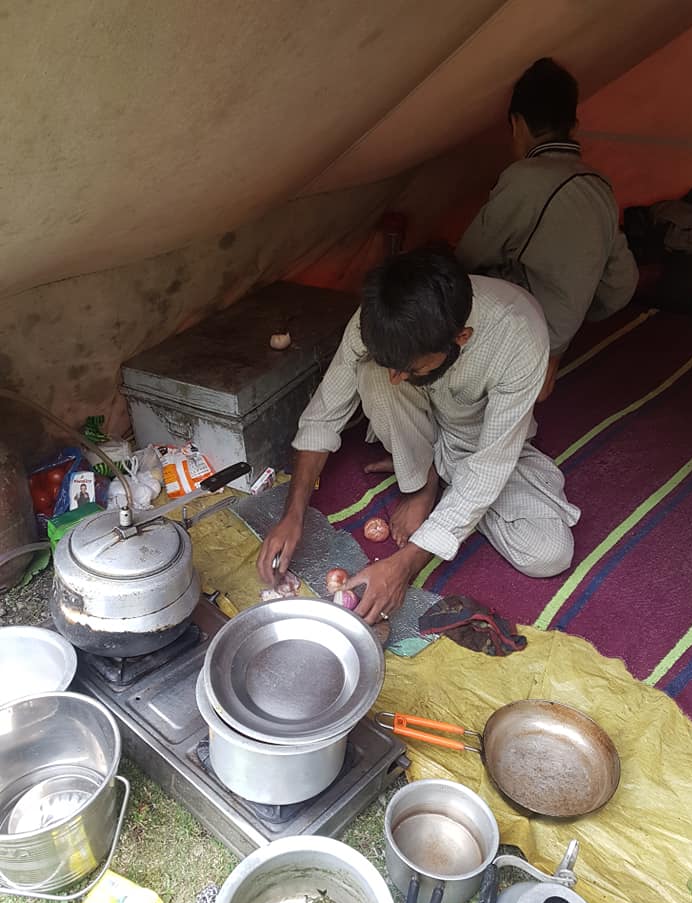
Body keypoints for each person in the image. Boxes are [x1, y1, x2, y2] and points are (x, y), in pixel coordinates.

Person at [257, 248, 580, 624]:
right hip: (417, 423)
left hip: (478, 442)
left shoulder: (519, 337)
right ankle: (425, 482)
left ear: (461, 337)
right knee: (372, 373)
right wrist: (293, 514)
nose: (396, 378)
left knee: (548, 553)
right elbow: (323, 415)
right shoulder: (380, 319)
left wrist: (405, 564)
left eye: (409, 368)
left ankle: (440, 479)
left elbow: (491, 464)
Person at [455, 57, 638, 401]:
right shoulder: (599, 184)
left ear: (517, 124)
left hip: (530, 326)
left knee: (449, 280)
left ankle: (517, 370)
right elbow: (622, 283)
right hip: (563, 328)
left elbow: (469, 256)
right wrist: (578, 312)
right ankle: (544, 365)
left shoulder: (525, 178)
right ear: (574, 126)